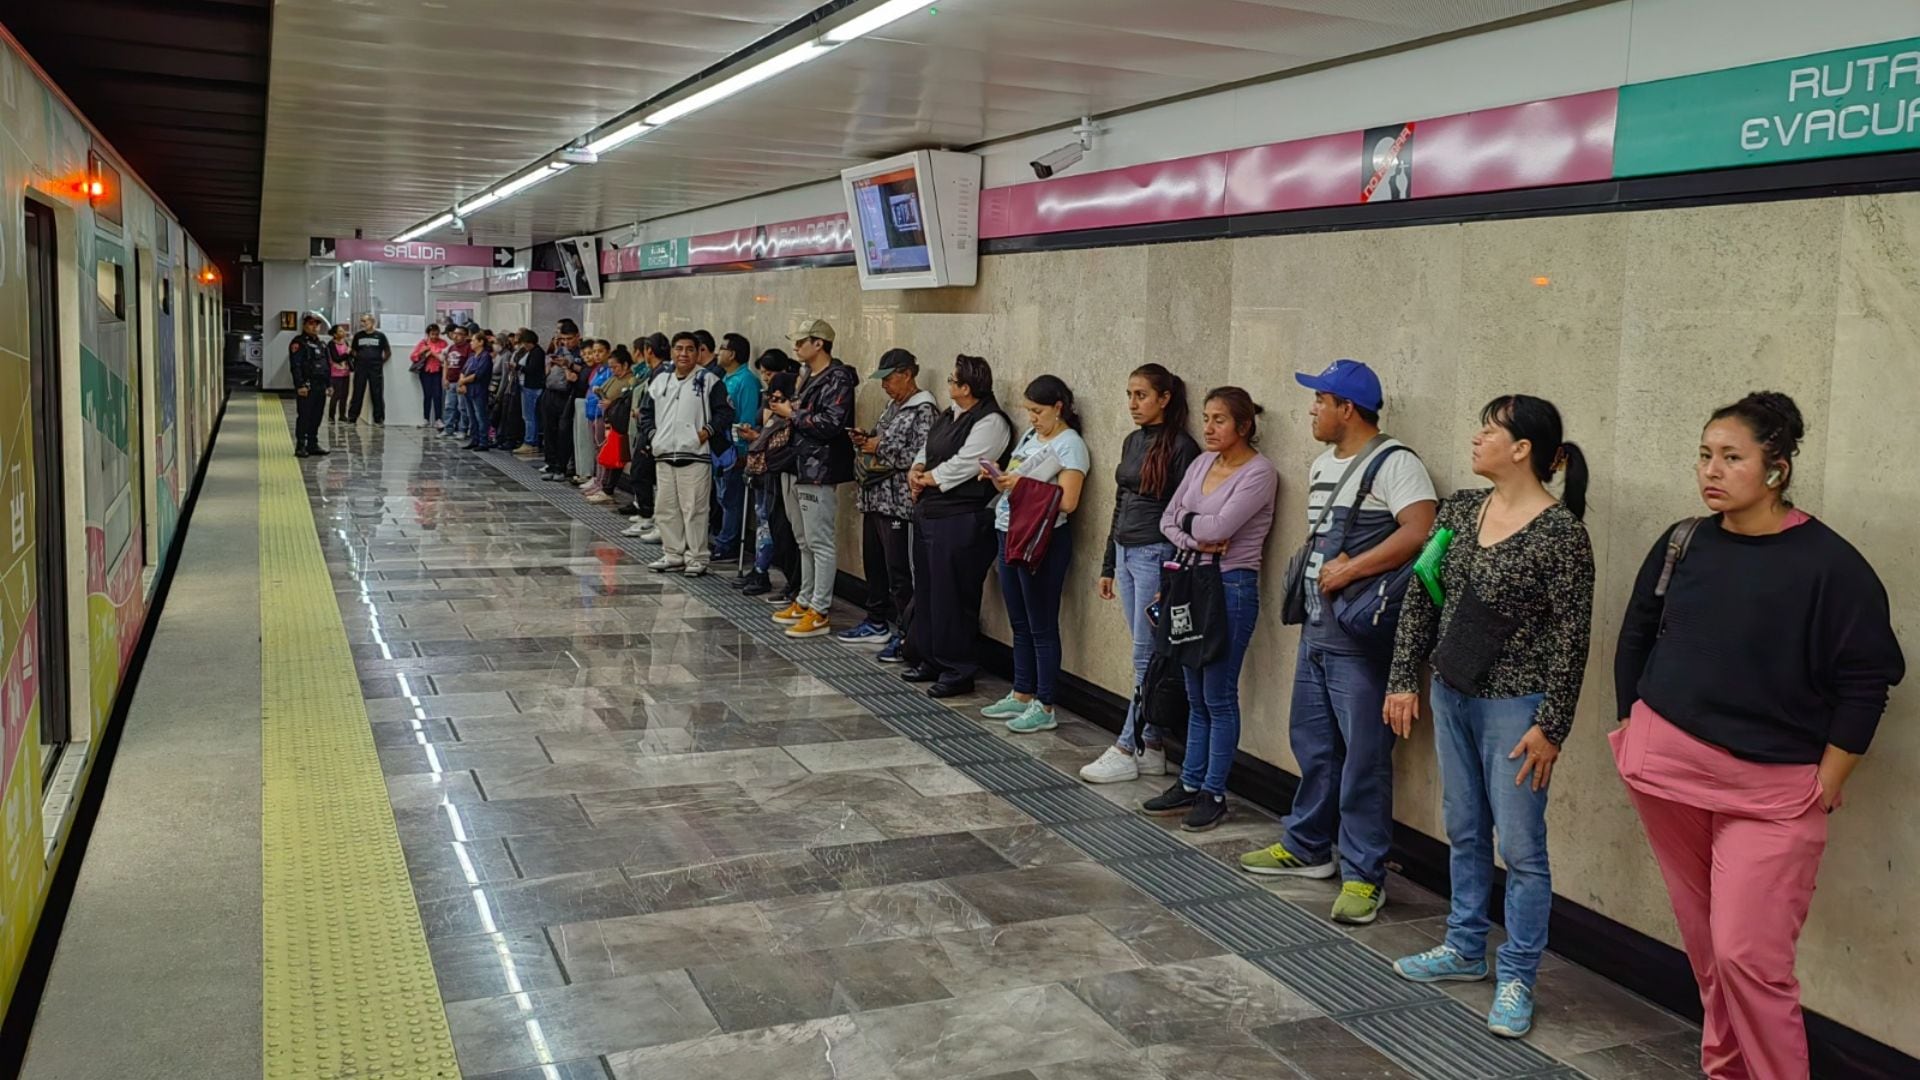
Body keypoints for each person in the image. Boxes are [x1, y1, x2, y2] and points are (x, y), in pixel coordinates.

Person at [1612, 392, 1902, 1080]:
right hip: (1666, 770)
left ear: (1777, 468)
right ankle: (1725, 1071)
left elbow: (1868, 680)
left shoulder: (1831, 566)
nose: (1710, 471)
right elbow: (1636, 635)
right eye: (1705, 455)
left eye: (1731, 457)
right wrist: (1633, 722)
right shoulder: (1684, 540)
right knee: (1709, 953)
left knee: (1748, 957)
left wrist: (1827, 781)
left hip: (1775, 790)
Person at [1383, 394, 1595, 1041]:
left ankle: (1518, 975)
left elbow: (1572, 639)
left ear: (1522, 448)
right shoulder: (1462, 509)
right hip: (1452, 693)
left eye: (1489, 431)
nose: (1476, 440)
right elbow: (1423, 593)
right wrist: (1403, 679)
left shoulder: (1561, 535)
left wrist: (1551, 725)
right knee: (1465, 826)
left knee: (1523, 848)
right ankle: (1464, 946)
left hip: (1518, 710)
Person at [1238, 360, 1438, 926]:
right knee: (1314, 743)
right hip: (1318, 628)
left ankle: (1364, 874)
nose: (1312, 410)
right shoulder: (1327, 462)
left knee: (1365, 759)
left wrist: (1354, 571)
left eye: (1320, 400)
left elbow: (1421, 530)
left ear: (1347, 408)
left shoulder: (1396, 464)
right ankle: (1306, 846)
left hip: (1359, 633)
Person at [1141, 388, 1278, 832]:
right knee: (1194, 692)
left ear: (1244, 425)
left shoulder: (1260, 473)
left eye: (1220, 419)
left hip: (1229, 588)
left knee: (1218, 694)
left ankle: (1214, 791)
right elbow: (1168, 518)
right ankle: (1190, 780)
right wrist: (1193, 533)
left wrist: (1189, 525)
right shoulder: (1201, 463)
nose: (1209, 428)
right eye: (1206, 418)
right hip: (1189, 582)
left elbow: (1224, 527)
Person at [1080, 364, 1199, 784]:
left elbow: (1187, 509)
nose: (1133, 404)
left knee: (1145, 654)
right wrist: (1108, 563)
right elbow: (1119, 500)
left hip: (1156, 552)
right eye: (1129, 394)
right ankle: (1152, 743)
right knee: (1144, 650)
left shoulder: (1182, 447)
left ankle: (1127, 745)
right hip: (1128, 552)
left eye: (1142, 395)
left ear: (1165, 398)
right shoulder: (1133, 440)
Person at [982, 376, 1090, 728]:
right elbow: (1016, 477)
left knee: (1042, 624)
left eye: (1038, 411)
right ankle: (1022, 692)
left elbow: (1069, 501)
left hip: (1041, 540)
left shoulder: (1070, 444)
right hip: (1008, 531)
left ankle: (1045, 705)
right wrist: (1000, 478)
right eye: (1028, 411)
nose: (1031, 418)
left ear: (1058, 407)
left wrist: (1023, 485)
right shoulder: (1031, 436)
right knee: (1019, 620)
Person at [901, 355, 1012, 696]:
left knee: (954, 594)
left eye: (952, 380)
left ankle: (958, 667)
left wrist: (929, 479)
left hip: (961, 517)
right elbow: (928, 448)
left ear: (966, 388)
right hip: (931, 513)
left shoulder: (992, 422)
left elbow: (967, 463)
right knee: (930, 590)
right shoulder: (951, 414)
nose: (948, 385)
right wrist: (916, 470)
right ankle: (930, 656)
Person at [837, 349, 935, 656]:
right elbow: (879, 441)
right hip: (875, 498)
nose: (886, 386)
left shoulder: (924, 410)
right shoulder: (894, 406)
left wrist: (877, 447)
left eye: (890, 379)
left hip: (899, 504)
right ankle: (876, 620)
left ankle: (907, 633)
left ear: (907, 374)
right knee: (876, 566)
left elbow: (918, 456)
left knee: (900, 573)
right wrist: (868, 441)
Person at [769, 320, 856, 639]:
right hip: (797, 463)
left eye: (801, 341)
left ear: (819, 343)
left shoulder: (839, 378)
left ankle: (820, 609)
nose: (796, 347)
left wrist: (792, 414)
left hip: (819, 468)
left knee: (820, 541)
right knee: (803, 540)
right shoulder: (807, 376)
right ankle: (805, 599)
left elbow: (832, 423)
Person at [637, 332, 733, 576]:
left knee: (695, 510)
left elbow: (724, 413)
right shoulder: (660, 381)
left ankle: (697, 557)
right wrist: (652, 436)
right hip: (665, 455)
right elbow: (645, 413)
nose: (683, 354)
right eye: (679, 348)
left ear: (698, 352)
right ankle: (673, 554)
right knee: (666, 509)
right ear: (672, 351)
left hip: (695, 457)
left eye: (690, 349)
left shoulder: (710, 380)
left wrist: (704, 433)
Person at [733, 355, 801, 596]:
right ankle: (762, 570)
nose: (773, 400)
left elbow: (777, 445)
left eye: (778, 396)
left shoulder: (791, 417)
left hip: (778, 476)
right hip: (766, 477)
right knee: (766, 525)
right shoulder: (773, 413)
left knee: (781, 531)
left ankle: (787, 582)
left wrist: (758, 438)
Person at [712, 332, 761, 561]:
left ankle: (727, 545)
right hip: (719, 449)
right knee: (723, 497)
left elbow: (747, 419)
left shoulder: (746, 381)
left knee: (732, 499)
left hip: (734, 451)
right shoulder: (724, 379)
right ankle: (722, 538)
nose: (718, 352)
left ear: (732, 354)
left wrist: (742, 451)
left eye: (722, 348)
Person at [624, 334, 670, 539]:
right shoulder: (657, 372)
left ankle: (647, 515)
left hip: (653, 431)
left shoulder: (662, 373)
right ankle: (648, 514)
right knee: (644, 473)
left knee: (640, 473)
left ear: (648, 350)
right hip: (649, 427)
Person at [586, 347, 637, 502]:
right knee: (602, 451)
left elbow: (626, 400)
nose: (613, 370)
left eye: (616, 367)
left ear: (626, 365)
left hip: (619, 422)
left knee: (614, 455)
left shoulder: (630, 380)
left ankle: (607, 486)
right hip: (606, 418)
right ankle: (600, 481)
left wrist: (612, 403)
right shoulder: (614, 378)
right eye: (611, 367)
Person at [539, 320, 586, 481]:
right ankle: (550, 463)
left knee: (563, 431)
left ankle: (561, 466)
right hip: (550, 391)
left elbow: (585, 372)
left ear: (578, 336)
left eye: (569, 339)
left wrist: (568, 365)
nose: (566, 342)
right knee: (548, 430)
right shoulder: (559, 349)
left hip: (567, 394)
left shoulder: (582, 352)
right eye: (563, 339)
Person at [288, 312, 332, 457]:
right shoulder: (299, 343)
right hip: (307, 385)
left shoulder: (322, 344)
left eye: (317, 324)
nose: (314, 327)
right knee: (305, 415)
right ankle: (301, 445)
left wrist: (329, 384)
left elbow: (327, 366)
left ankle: (312, 444)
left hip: (320, 385)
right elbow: (296, 366)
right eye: (311, 324)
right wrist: (300, 385)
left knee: (317, 416)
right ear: (305, 325)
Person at [456, 329, 495, 450]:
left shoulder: (485, 357)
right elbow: (463, 370)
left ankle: (483, 441)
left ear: (481, 342)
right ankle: (475, 438)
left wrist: (463, 381)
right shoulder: (472, 356)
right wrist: (462, 382)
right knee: (471, 415)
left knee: (480, 416)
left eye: (473, 341)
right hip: (468, 390)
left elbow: (478, 374)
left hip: (479, 390)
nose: (471, 343)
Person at [348, 314, 390, 425]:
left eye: (365, 321)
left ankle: (378, 418)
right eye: (362, 321)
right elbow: (353, 350)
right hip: (361, 368)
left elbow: (387, 352)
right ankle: (352, 417)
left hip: (375, 368)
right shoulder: (358, 336)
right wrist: (358, 358)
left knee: (376, 393)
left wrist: (380, 362)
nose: (363, 324)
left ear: (372, 322)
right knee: (357, 392)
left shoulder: (380, 336)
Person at [411, 324, 448, 428]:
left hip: (438, 371)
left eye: (437, 334)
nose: (434, 336)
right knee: (427, 395)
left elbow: (444, 357)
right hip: (425, 372)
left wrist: (433, 353)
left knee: (438, 395)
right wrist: (421, 352)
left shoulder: (443, 343)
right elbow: (413, 357)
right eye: (432, 334)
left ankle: (438, 419)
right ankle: (426, 419)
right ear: (428, 334)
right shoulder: (423, 343)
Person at [441, 326, 473, 440]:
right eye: (454, 333)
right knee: (449, 406)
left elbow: (469, 365)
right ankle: (448, 428)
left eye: (459, 334)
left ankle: (462, 429)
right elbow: (446, 363)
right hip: (451, 381)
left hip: (460, 381)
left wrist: (463, 381)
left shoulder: (468, 348)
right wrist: (445, 378)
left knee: (462, 407)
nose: (455, 336)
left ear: (465, 336)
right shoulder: (451, 348)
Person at [327, 323, 353, 422]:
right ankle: (331, 416)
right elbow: (336, 358)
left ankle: (342, 415)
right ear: (335, 334)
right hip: (335, 374)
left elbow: (349, 356)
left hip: (345, 373)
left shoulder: (346, 342)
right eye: (340, 331)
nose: (343, 333)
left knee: (344, 395)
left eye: (343, 331)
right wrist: (347, 353)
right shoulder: (331, 344)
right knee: (335, 395)